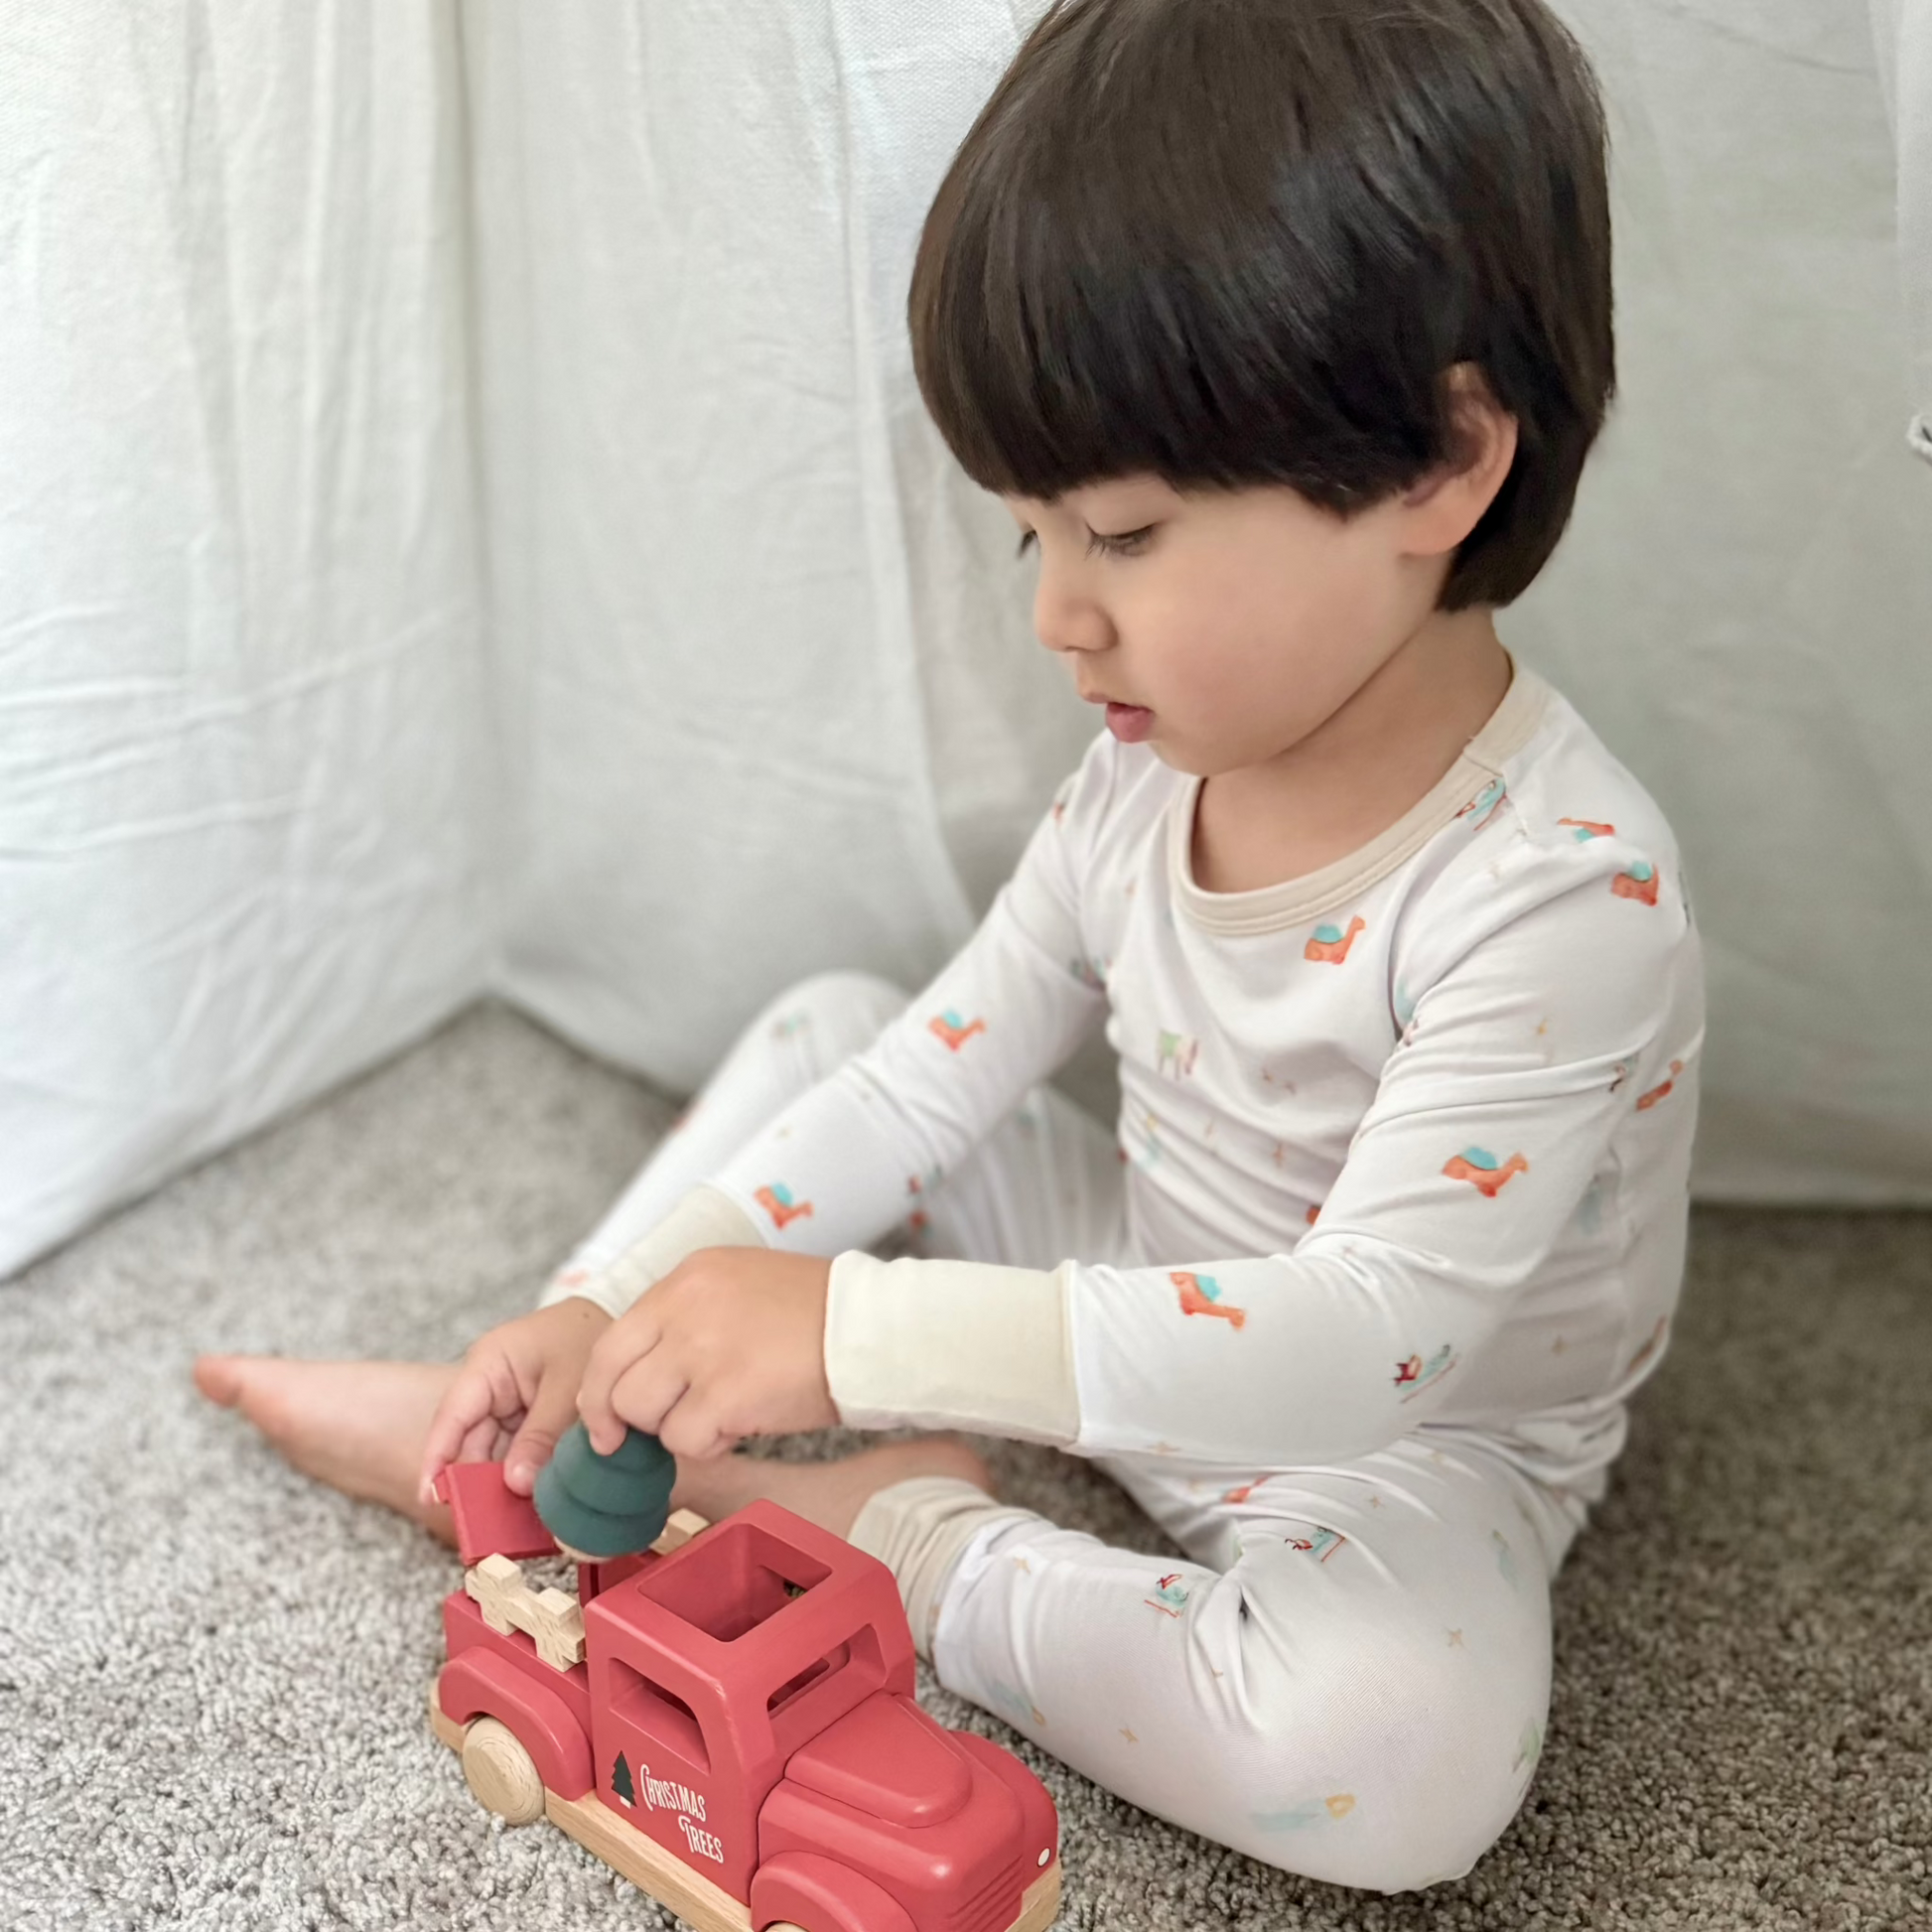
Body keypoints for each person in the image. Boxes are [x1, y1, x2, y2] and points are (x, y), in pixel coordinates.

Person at [194, 0, 1706, 1893]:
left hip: (1412, 1440)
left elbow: (1365, 1342)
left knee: (1390, 1754)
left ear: (1441, 463)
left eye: (1122, 534)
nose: (1059, 614)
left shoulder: (1564, 892)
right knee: (840, 1028)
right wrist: (618, 1299)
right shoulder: (1143, 777)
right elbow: (930, 1072)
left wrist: (849, 1342)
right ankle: (563, 1405)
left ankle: (898, 1531)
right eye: (1028, 539)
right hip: (1148, 1262)